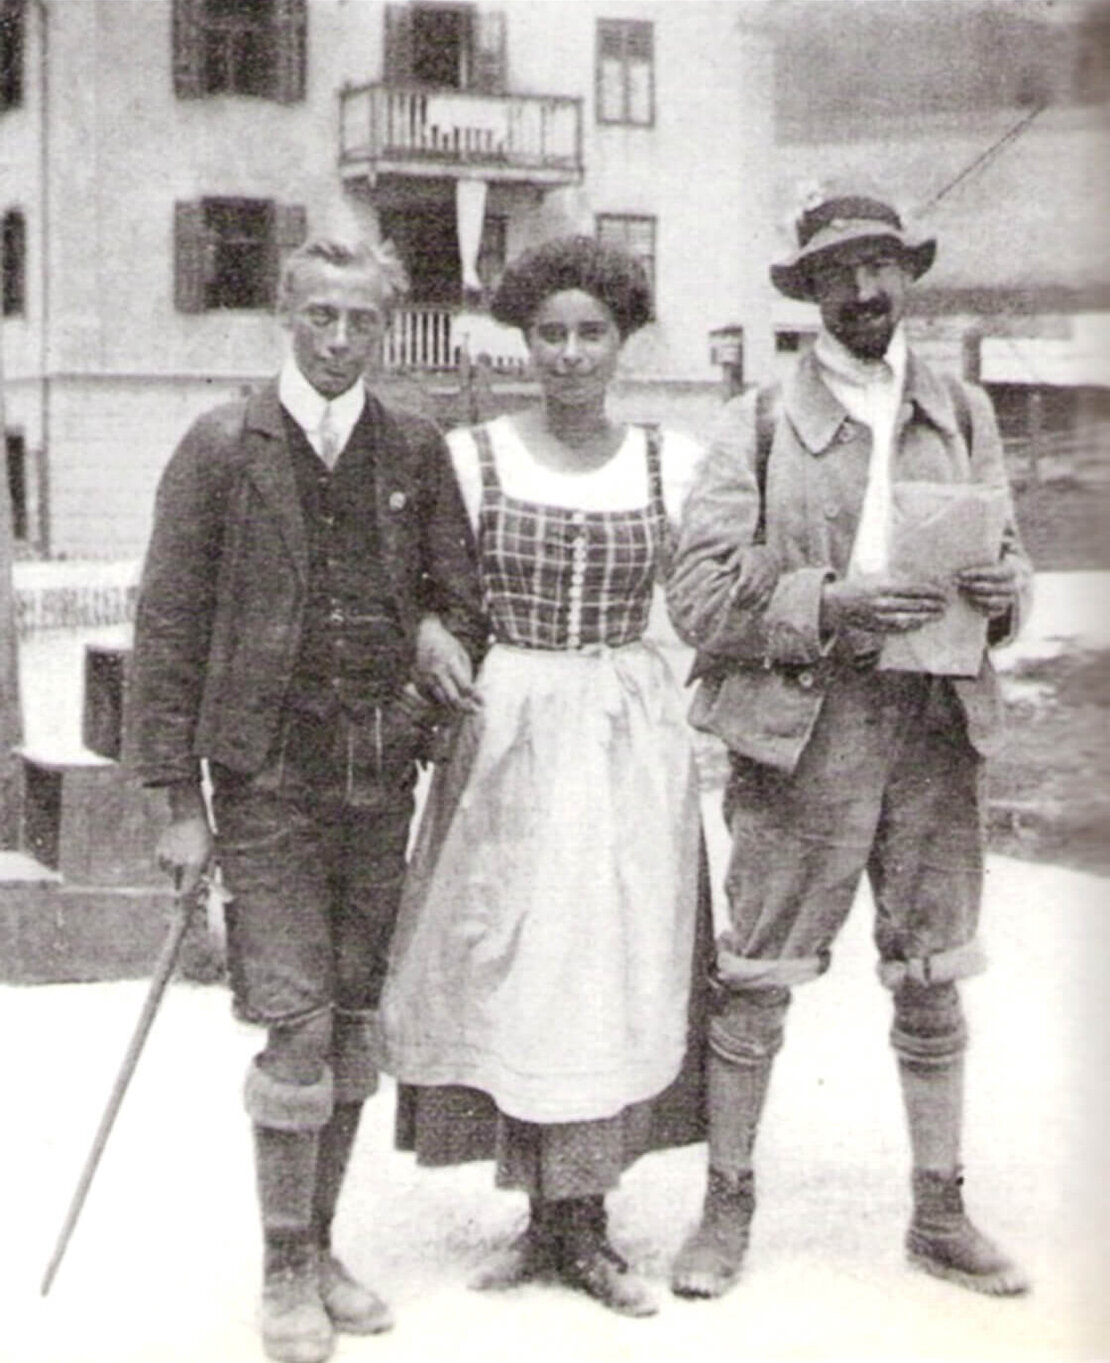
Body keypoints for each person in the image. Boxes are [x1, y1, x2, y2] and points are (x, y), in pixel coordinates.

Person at [666, 188, 1033, 1302]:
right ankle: (725, 1207)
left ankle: (940, 1210)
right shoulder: (755, 424)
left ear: (907, 276)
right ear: (809, 291)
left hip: (935, 732)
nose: (865, 291)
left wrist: (1004, 590)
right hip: (804, 729)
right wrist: (827, 602)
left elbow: (1010, 568)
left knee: (933, 975)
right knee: (757, 976)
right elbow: (696, 595)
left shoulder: (963, 410)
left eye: (881, 268)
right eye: (840, 273)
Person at [125, 236, 485, 1363]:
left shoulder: (415, 447)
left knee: (355, 1021)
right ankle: (283, 1266)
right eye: (319, 315)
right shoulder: (223, 447)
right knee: (295, 1022)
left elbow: (460, 599)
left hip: (380, 777)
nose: (338, 340)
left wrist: (441, 630)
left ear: (387, 324)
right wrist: (173, 803)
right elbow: (167, 630)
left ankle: (321, 1242)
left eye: (361, 320)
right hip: (266, 784)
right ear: (286, 314)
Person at [379, 235, 724, 1318]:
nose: (570, 355)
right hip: (512, 724)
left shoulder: (671, 459)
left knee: (609, 963)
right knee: (513, 964)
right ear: (523, 341)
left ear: (623, 342)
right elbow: (424, 589)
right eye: (550, 335)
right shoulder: (473, 454)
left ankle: (589, 1221)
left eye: (591, 334)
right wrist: (435, 629)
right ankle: (540, 1219)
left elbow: (713, 594)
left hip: (623, 729)